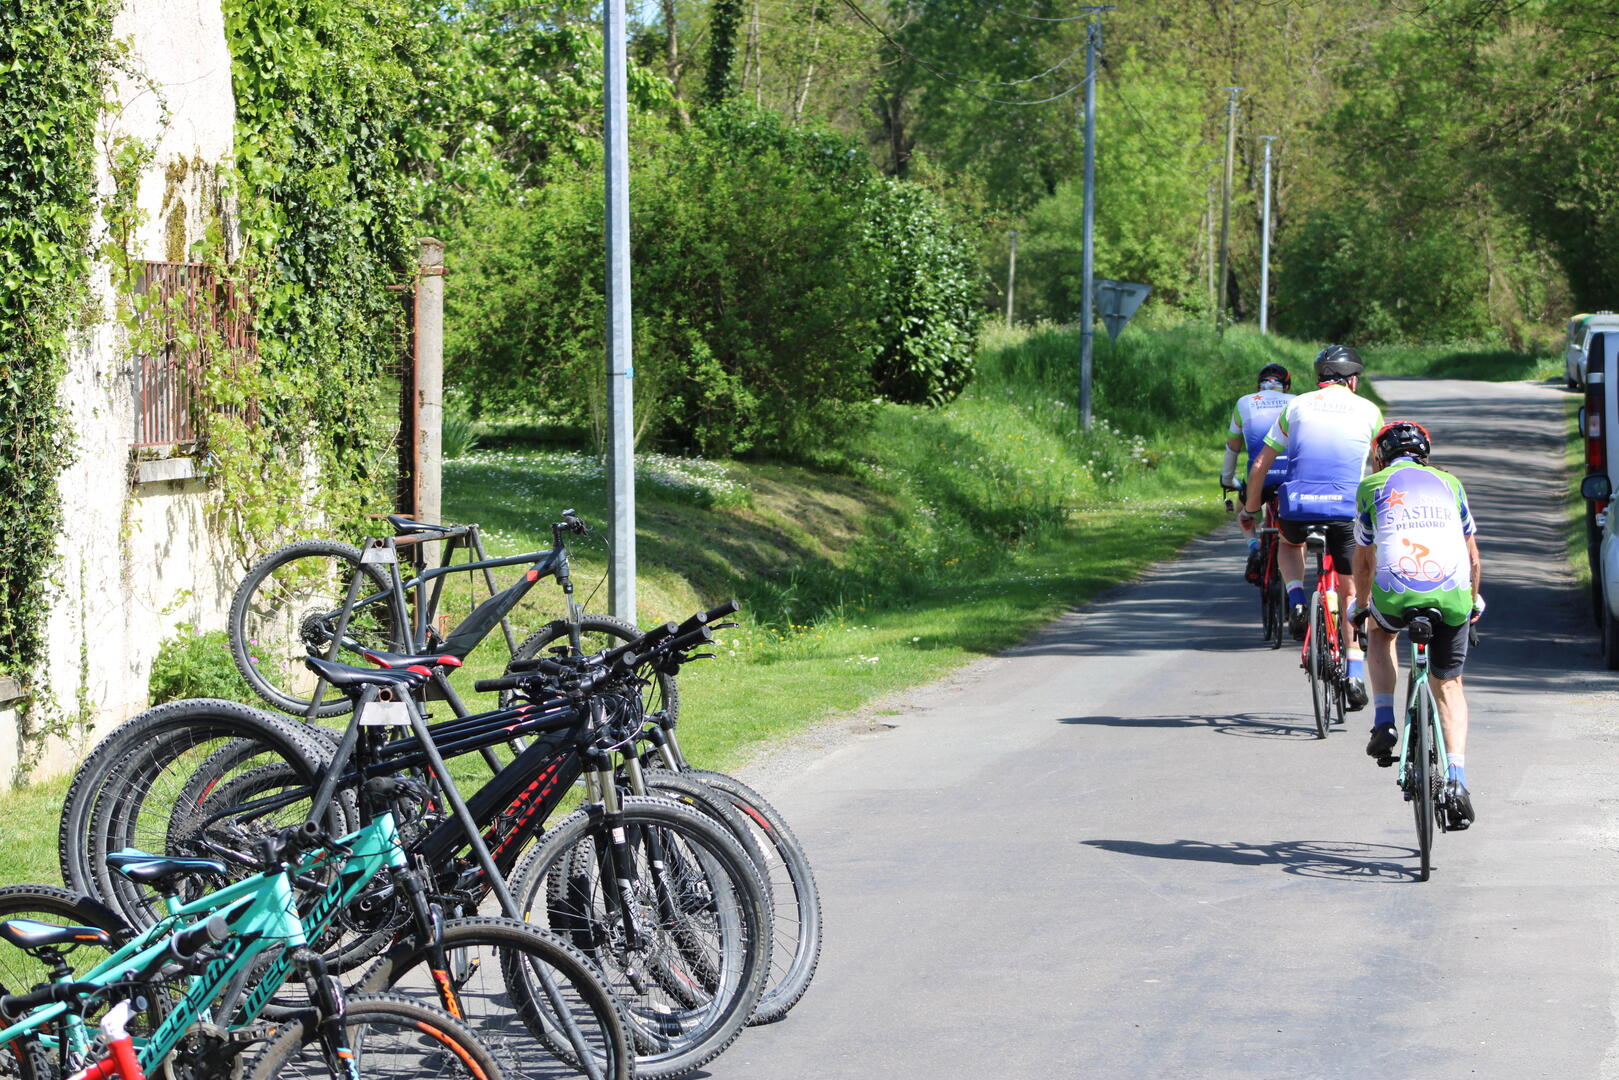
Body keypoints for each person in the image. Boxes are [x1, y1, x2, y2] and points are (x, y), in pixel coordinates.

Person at [1351, 421, 1482, 828]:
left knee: (1379, 631)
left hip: (1396, 589)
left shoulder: (1372, 486)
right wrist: (1473, 601)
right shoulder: (1451, 484)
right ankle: (1457, 779)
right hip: (1450, 592)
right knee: (1449, 684)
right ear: (1425, 452)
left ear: (1381, 455)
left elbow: (1365, 559)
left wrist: (1359, 603)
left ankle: (1385, 720)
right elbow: (1473, 557)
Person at [1240, 344, 1382, 708]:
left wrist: (1252, 510)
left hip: (1298, 506)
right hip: (1346, 511)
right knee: (1352, 595)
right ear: (1351, 380)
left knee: (1289, 544)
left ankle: (1297, 597)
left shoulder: (1296, 405)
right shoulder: (1368, 410)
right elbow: (1382, 472)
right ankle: (1354, 673)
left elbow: (1259, 465)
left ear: (1320, 378)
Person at [1221, 362, 1294, 583]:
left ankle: (1254, 547)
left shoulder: (1244, 402)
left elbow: (1233, 446)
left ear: (1258, 386)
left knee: (1244, 512)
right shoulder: (1299, 402)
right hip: (1293, 476)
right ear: (1287, 386)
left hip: (1259, 477)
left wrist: (1227, 479)